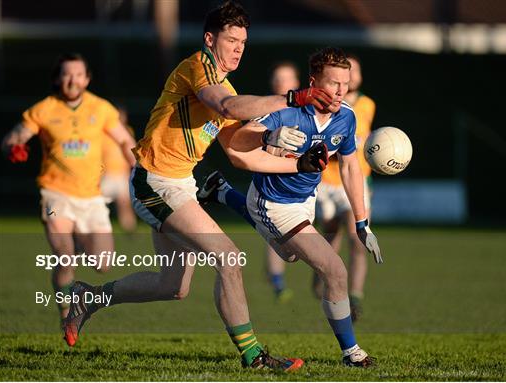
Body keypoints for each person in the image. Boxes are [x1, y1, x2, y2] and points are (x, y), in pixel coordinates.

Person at [62, 1, 332, 371]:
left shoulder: (227, 85)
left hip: (179, 185)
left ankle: (87, 298)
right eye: (232, 39)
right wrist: (291, 98)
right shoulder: (198, 68)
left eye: (243, 42)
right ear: (210, 39)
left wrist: (296, 162)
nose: (239, 48)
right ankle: (253, 356)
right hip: (154, 181)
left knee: (173, 287)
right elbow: (228, 107)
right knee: (229, 258)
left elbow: (241, 154)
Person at [198, 47, 382, 367]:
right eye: (333, 83)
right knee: (335, 269)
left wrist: (362, 223)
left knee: (291, 254)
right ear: (313, 82)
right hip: (273, 203)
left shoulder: (347, 118)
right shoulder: (287, 112)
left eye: (345, 83)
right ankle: (351, 351)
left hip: (305, 200)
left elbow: (351, 168)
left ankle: (224, 194)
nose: (341, 90)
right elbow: (240, 141)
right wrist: (269, 134)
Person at [0, 53, 136, 323]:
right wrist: (13, 147)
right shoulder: (44, 109)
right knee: (65, 257)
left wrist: (140, 168)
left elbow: (125, 141)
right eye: (66, 74)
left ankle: (78, 247)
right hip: (55, 196)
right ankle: (65, 312)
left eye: (78, 74)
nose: (72, 80)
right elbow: (15, 136)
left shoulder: (102, 109)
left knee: (103, 264)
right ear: (57, 79)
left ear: (87, 79)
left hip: (92, 199)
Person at [313, 54, 376, 321]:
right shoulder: (324, 105)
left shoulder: (367, 105)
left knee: (357, 238)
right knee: (330, 236)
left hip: (355, 181)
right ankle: (320, 274)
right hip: (326, 181)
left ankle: (356, 297)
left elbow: (365, 144)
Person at [265, 61, 300, 302]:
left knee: (293, 247)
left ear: (296, 83)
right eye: (277, 78)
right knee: (277, 236)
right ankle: (277, 281)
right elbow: (259, 148)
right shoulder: (267, 112)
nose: (280, 83)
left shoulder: (308, 112)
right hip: (272, 185)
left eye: (285, 78)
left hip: (303, 186)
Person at [101, 105, 137, 233]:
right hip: (107, 175)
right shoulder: (104, 133)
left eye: (122, 115)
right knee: (98, 205)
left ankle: (130, 232)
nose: (120, 118)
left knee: (125, 206)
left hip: (122, 175)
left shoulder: (128, 132)